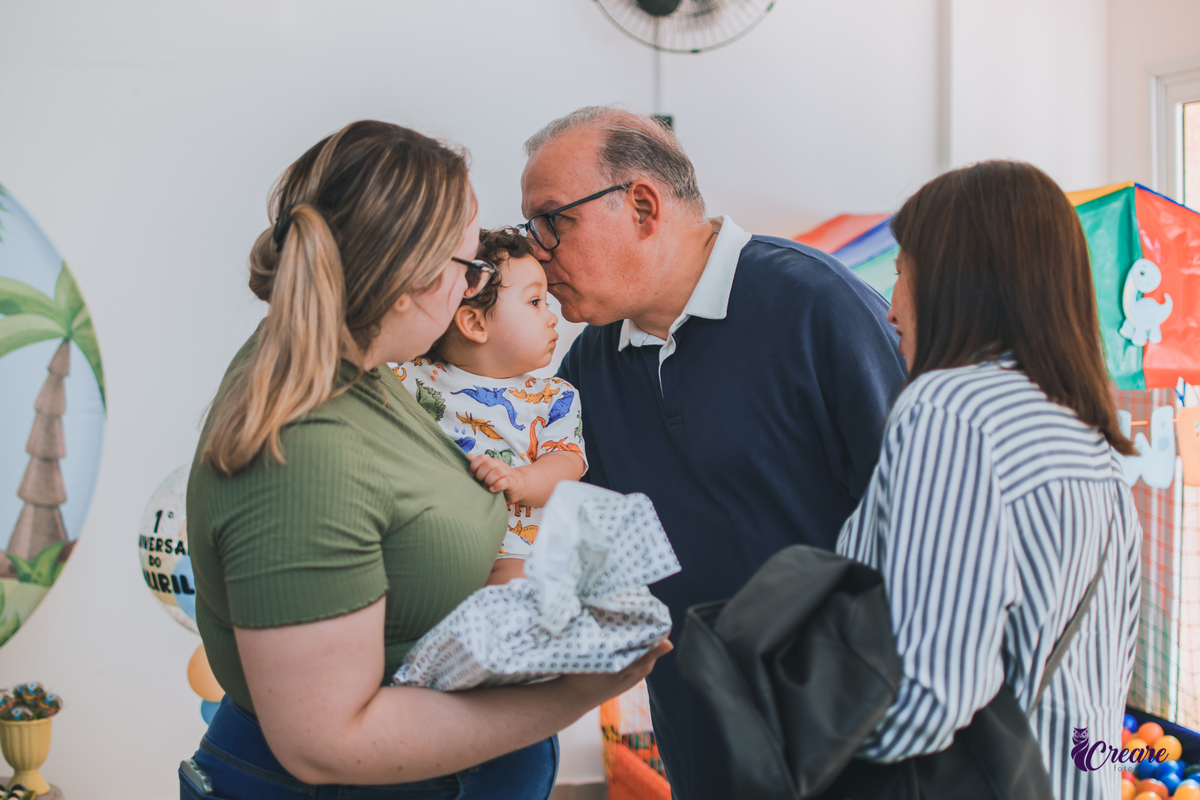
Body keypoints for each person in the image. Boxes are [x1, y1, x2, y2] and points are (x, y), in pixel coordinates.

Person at [184, 120, 668, 800]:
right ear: (408, 281)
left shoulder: (365, 370)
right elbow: (327, 743)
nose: (474, 293)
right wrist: (582, 691)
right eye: (470, 269)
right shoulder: (306, 449)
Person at [520, 106, 908, 800]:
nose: (539, 251)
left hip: (854, 731)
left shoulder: (820, 308)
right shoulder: (591, 367)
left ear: (642, 205)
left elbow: (917, 528)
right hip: (700, 734)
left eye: (554, 221)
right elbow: (583, 556)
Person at [836, 160, 1141, 800]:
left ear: (960, 284)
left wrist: (803, 752)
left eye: (903, 275)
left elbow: (931, 691)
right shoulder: (1087, 432)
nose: (891, 310)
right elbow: (1107, 677)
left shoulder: (949, 408)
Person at [394, 227, 587, 586]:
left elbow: (567, 462)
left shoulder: (554, 397)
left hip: (515, 548)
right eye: (535, 302)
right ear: (475, 323)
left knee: (519, 589)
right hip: (430, 541)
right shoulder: (410, 377)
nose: (552, 317)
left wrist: (522, 480)